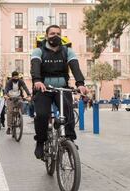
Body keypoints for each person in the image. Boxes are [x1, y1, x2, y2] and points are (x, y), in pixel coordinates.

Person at [30, 25, 88, 159]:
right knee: (42, 115)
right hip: (43, 88)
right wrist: (37, 80)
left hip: (62, 88)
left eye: (57, 33)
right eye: (52, 33)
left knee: (68, 111)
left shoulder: (67, 51)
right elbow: (35, 66)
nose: (55, 36)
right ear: (46, 36)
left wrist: (80, 84)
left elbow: (75, 68)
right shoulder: (38, 51)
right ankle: (40, 141)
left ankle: (69, 140)